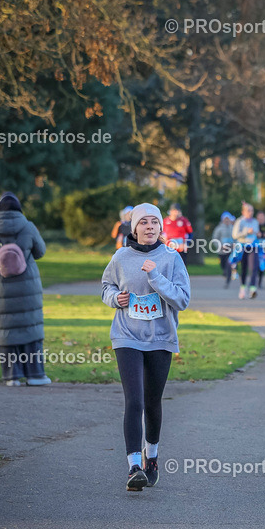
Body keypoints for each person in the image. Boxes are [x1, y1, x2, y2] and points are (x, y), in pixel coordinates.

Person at [101, 203, 191, 491]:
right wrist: (116, 299)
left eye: (154, 222)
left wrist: (157, 278)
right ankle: (134, 467)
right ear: (134, 228)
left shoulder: (171, 259)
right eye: (143, 223)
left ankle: (152, 457)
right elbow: (106, 287)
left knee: (152, 402)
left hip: (161, 338)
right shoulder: (120, 257)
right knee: (135, 401)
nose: (149, 227)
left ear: (161, 228)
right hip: (126, 336)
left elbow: (182, 300)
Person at [0, 192, 51, 387]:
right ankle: (35, 375)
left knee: (6, 328)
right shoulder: (28, 226)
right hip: (27, 284)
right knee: (31, 327)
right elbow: (40, 252)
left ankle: (12, 376)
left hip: (0, 286)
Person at [232, 202, 261, 299]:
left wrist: (258, 234)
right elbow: (235, 235)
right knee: (244, 268)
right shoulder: (240, 221)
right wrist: (246, 232)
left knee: (254, 268)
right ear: (243, 212)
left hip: (253, 246)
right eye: (248, 210)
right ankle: (243, 288)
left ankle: (252, 289)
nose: (250, 212)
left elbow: (256, 232)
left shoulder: (255, 221)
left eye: (252, 210)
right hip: (243, 246)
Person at [211, 211, 236, 288]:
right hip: (222, 251)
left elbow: (236, 238)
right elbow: (215, 239)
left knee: (228, 265)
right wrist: (220, 246)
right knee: (223, 265)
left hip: (230, 250)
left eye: (228, 219)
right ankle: (225, 272)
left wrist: (235, 245)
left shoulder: (233, 228)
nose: (227, 220)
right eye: (225, 219)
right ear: (222, 220)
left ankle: (228, 280)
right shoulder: (219, 229)